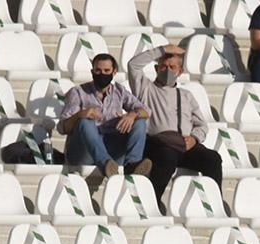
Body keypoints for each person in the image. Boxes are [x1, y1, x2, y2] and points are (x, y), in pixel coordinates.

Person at [127, 44, 223, 205]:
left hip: (186, 145)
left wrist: (194, 139)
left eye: (172, 67)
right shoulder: (145, 89)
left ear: (180, 71)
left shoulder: (186, 95)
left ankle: (215, 203)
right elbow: (133, 65)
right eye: (164, 66)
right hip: (158, 145)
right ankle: (152, 202)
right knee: (167, 156)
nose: (168, 70)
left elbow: (202, 125)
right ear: (157, 69)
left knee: (212, 158)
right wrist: (163, 50)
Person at [58, 53, 152, 178]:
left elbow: (146, 111)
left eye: (106, 70)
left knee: (139, 122)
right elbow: (62, 128)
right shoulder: (78, 92)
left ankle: (132, 165)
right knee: (85, 122)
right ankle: (105, 163)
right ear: (92, 72)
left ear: (114, 72)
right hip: (84, 151)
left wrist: (132, 114)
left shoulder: (119, 91)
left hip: (112, 148)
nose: (102, 74)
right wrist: (80, 114)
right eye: (98, 70)